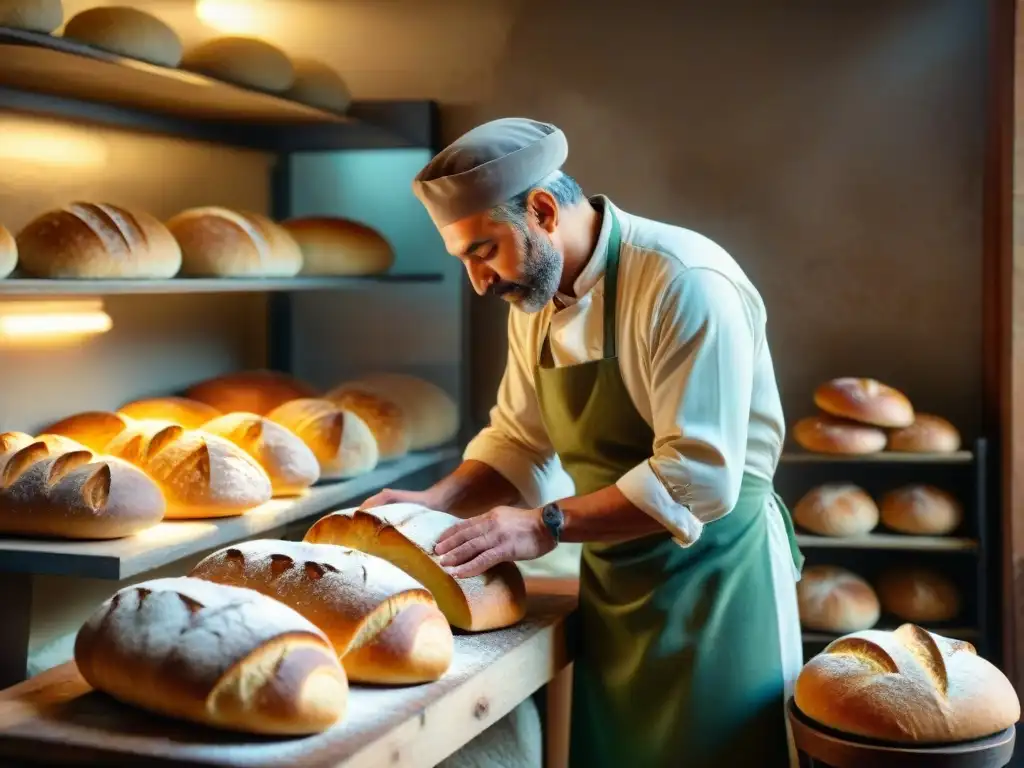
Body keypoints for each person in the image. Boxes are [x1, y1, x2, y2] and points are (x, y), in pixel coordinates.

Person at [362, 117, 804, 768]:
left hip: (720, 583)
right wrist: (432, 505)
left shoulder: (684, 280)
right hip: (614, 577)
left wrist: (544, 524)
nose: (479, 283)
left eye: (483, 252)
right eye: (465, 262)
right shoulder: (536, 302)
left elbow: (698, 478)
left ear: (542, 210)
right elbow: (518, 438)